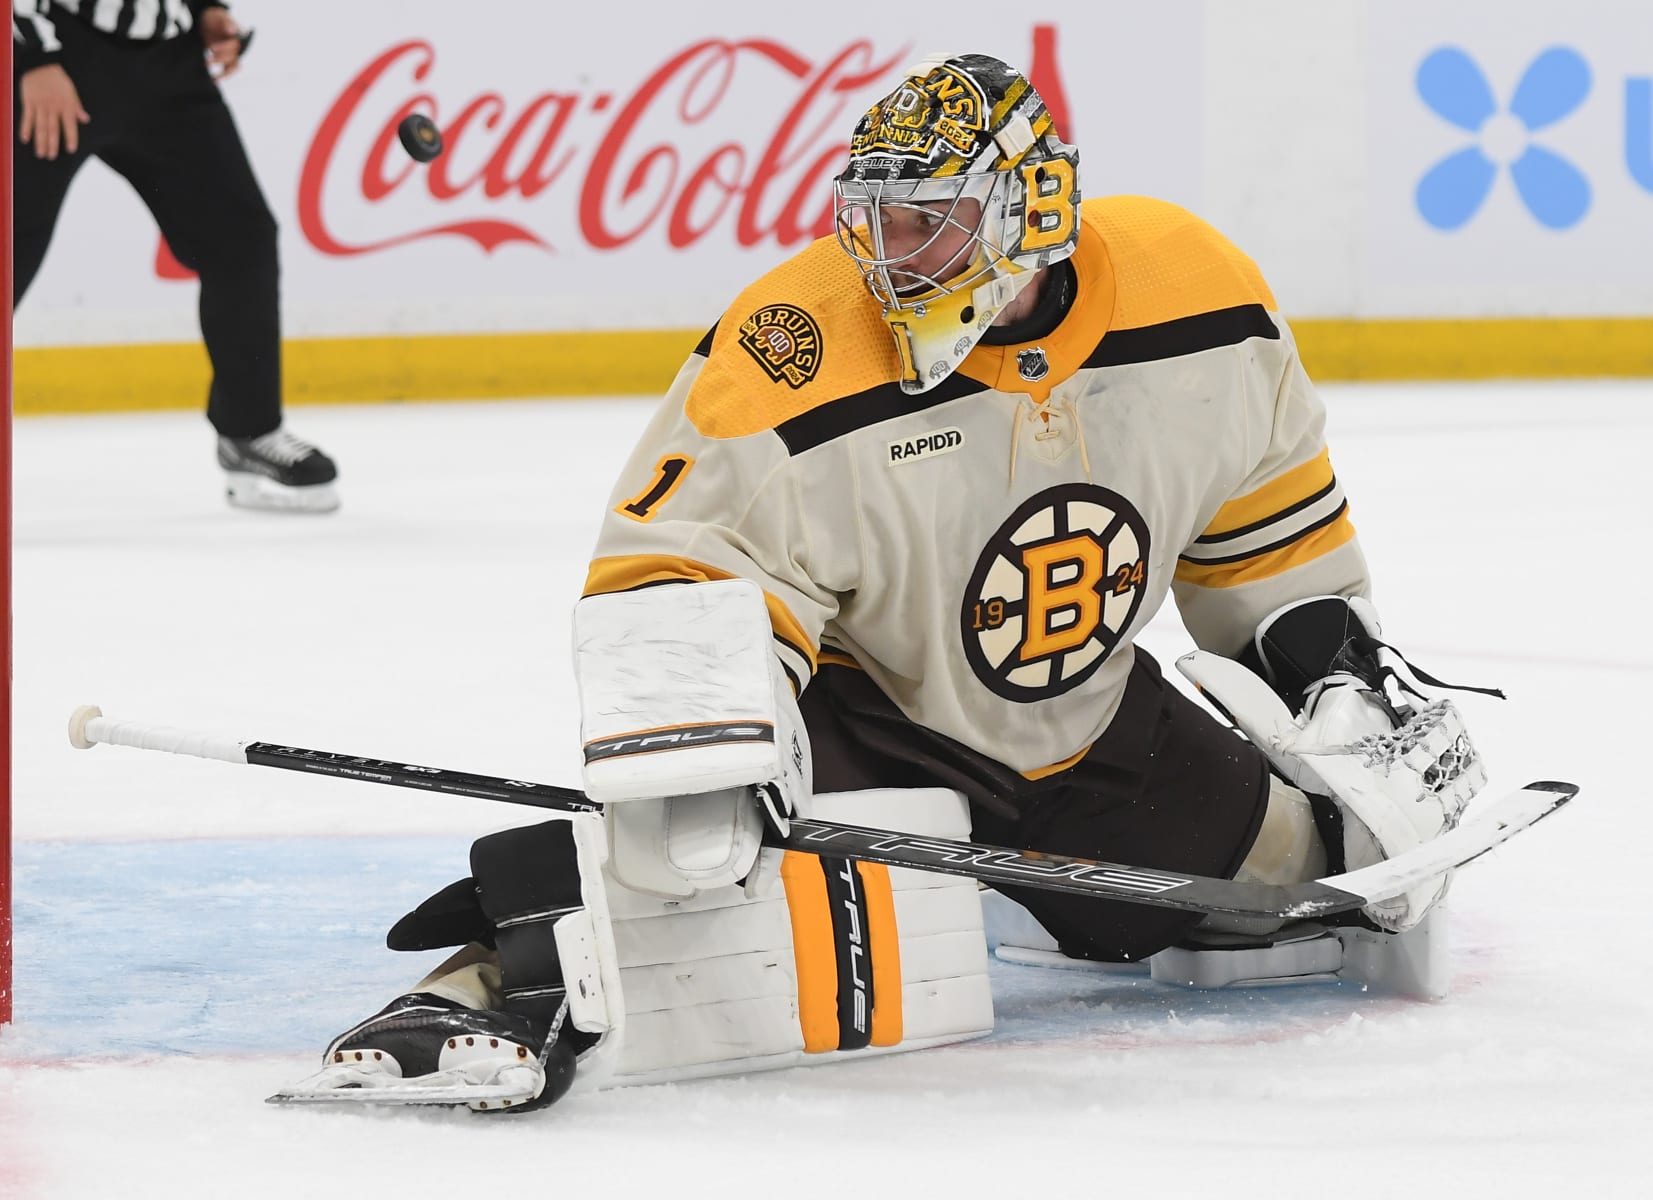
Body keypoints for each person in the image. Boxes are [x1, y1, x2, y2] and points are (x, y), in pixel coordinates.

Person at [289, 53, 1489, 1111]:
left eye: (929, 222)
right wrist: (719, 768)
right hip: (873, 726)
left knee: (1314, 882)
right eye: (875, 221)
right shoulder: (792, 352)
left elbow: (1268, 549)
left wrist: (1338, 689)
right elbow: (680, 585)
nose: (887, 256)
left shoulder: (1200, 303)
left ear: (1037, 210)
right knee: (700, 881)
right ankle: (491, 976)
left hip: (1099, 723)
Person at [12, 0, 339, 513]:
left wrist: (205, 9)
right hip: (57, 51)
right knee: (10, 250)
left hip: (170, 62)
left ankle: (250, 432)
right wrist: (29, 56)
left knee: (239, 236)